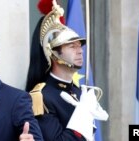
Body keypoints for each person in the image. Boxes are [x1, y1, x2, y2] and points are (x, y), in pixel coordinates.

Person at [25, 0, 108, 141]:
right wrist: (82, 113)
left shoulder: (80, 92)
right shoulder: (42, 97)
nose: (80, 51)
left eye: (79, 46)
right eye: (72, 47)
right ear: (54, 54)